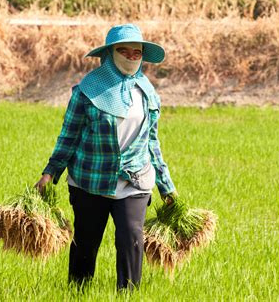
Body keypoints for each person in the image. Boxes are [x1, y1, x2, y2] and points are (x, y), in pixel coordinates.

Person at [35, 23, 177, 291]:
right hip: (91, 180)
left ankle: (129, 294)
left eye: (137, 52)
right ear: (110, 53)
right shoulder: (88, 90)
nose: (131, 57)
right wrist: (49, 173)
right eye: (124, 51)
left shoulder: (146, 92)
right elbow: (69, 135)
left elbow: (152, 143)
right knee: (85, 244)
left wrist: (167, 187)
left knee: (131, 241)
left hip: (134, 180)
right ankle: (77, 292)